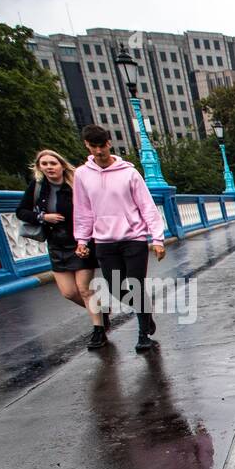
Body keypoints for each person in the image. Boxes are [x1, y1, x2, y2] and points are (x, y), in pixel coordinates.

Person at [72, 124, 167, 352]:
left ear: (109, 143)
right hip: (104, 241)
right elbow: (82, 209)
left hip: (133, 238)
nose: (98, 151)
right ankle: (146, 314)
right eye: (92, 146)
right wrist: (82, 240)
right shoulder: (82, 175)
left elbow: (147, 206)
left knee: (135, 285)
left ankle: (143, 334)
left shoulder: (129, 173)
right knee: (115, 288)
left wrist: (157, 239)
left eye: (101, 146)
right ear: (87, 146)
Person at [15, 150, 105, 348]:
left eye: (52, 163)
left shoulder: (76, 184)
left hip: (81, 241)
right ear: (39, 167)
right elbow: (21, 211)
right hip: (56, 243)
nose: (49, 167)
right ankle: (100, 311)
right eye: (44, 164)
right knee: (69, 292)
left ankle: (98, 329)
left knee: (84, 289)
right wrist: (43, 217)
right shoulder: (38, 187)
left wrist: (90, 238)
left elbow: (94, 209)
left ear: (62, 165)